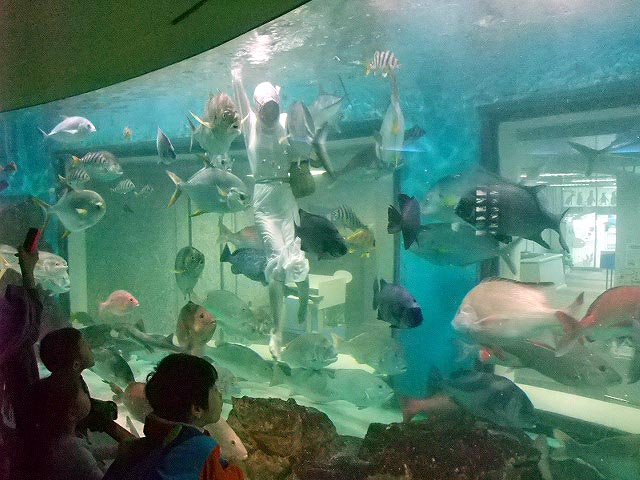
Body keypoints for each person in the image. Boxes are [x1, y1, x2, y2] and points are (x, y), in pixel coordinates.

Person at [232, 67, 310, 359]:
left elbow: (304, 143)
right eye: (265, 108)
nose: (271, 113)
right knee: (277, 262)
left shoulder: (287, 121)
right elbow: (240, 100)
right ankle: (276, 333)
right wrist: (237, 77)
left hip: (286, 195)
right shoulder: (249, 125)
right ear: (257, 107)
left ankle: (303, 295)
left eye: (274, 107)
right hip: (263, 198)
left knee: (294, 252)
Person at [103, 353, 244, 480]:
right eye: (214, 389)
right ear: (196, 409)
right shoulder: (201, 448)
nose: (220, 394)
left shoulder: (151, 440)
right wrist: (238, 468)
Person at [39, 327, 119, 436]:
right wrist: (108, 410)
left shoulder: (55, 384)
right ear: (76, 364)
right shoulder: (64, 394)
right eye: (84, 344)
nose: (90, 347)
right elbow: (83, 414)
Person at [29, 372, 104, 480]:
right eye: (84, 391)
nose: (87, 394)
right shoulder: (76, 450)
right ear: (71, 413)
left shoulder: (59, 439)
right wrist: (123, 459)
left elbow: (90, 451)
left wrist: (117, 450)